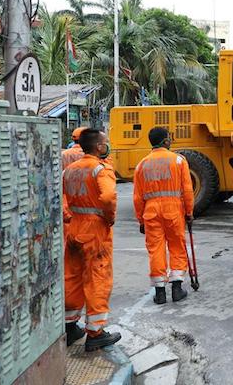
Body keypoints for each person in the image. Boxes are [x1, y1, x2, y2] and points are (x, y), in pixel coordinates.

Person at [62, 128, 121, 351]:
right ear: (98, 146)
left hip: (74, 228)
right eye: (105, 142)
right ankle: (95, 333)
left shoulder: (69, 170)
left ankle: (69, 326)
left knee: (73, 277)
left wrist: (68, 216)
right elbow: (108, 197)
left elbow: (60, 198)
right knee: (97, 277)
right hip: (95, 230)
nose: (107, 145)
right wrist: (109, 217)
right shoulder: (100, 169)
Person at [133, 127, 195, 304]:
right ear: (165, 141)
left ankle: (160, 292)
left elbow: (137, 197)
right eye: (169, 138)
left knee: (156, 250)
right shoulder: (178, 160)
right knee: (177, 246)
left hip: (151, 212)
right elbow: (187, 190)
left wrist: (141, 220)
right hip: (173, 211)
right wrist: (189, 212)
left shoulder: (141, 165)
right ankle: (177, 288)